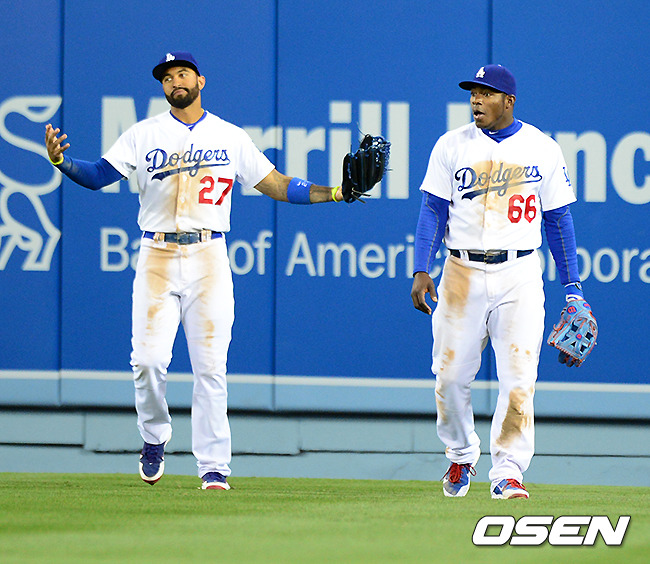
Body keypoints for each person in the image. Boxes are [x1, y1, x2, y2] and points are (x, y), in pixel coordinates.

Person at [45, 51, 346, 490]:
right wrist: (62, 162)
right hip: (157, 254)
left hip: (209, 256)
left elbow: (278, 184)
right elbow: (96, 176)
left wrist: (334, 192)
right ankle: (154, 437)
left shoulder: (229, 136)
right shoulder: (143, 133)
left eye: (182, 73)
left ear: (200, 81)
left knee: (211, 368)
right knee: (147, 362)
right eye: (167, 77)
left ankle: (213, 466)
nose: (175, 81)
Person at [410, 64, 587, 499]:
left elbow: (558, 221)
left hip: (519, 274)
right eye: (473, 92)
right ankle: (460, 455)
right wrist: (421, 268)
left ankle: (508, 471)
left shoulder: (542, 148)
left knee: (519, 379)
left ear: (508, 101)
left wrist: (573, 290)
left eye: (486, 93)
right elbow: (432, 210)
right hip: (461, 271)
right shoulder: (451, 145)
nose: (476, 100)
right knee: (449, 377)